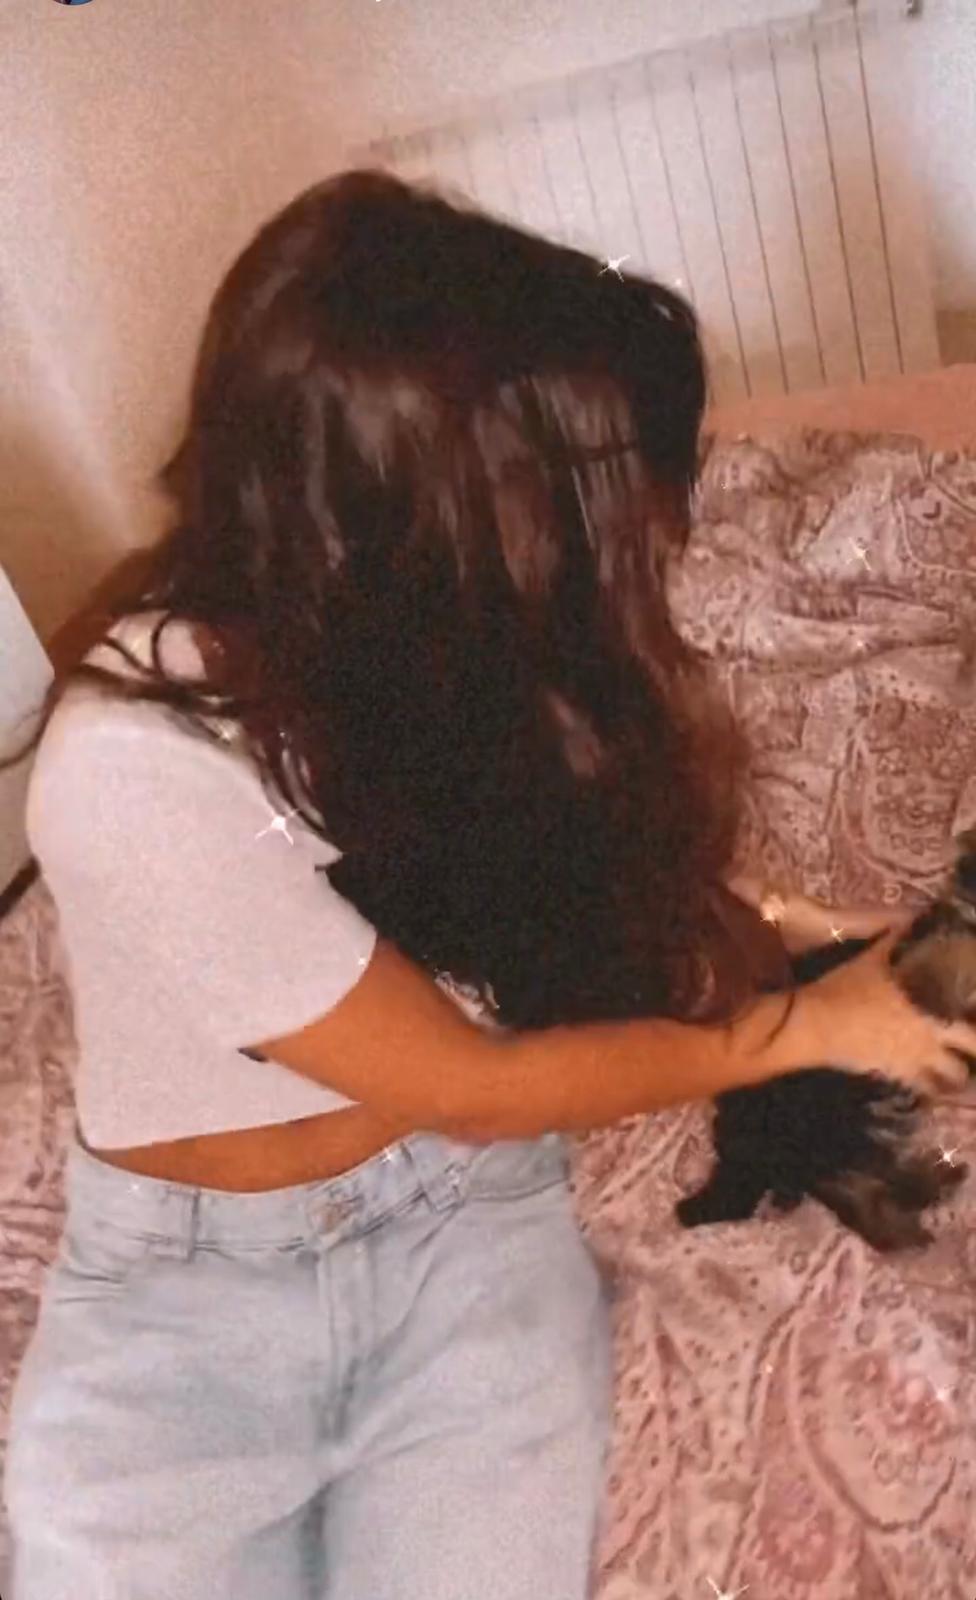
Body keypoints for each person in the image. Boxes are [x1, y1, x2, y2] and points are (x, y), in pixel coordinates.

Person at [2, 170, 973, 1600]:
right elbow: (476, 1081)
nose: (638, 550)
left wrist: (799, 933)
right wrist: (807, 1031)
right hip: (192, 1292)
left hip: (463, 1221)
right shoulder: (130, 769)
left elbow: (527, 901)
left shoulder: (432, 650)